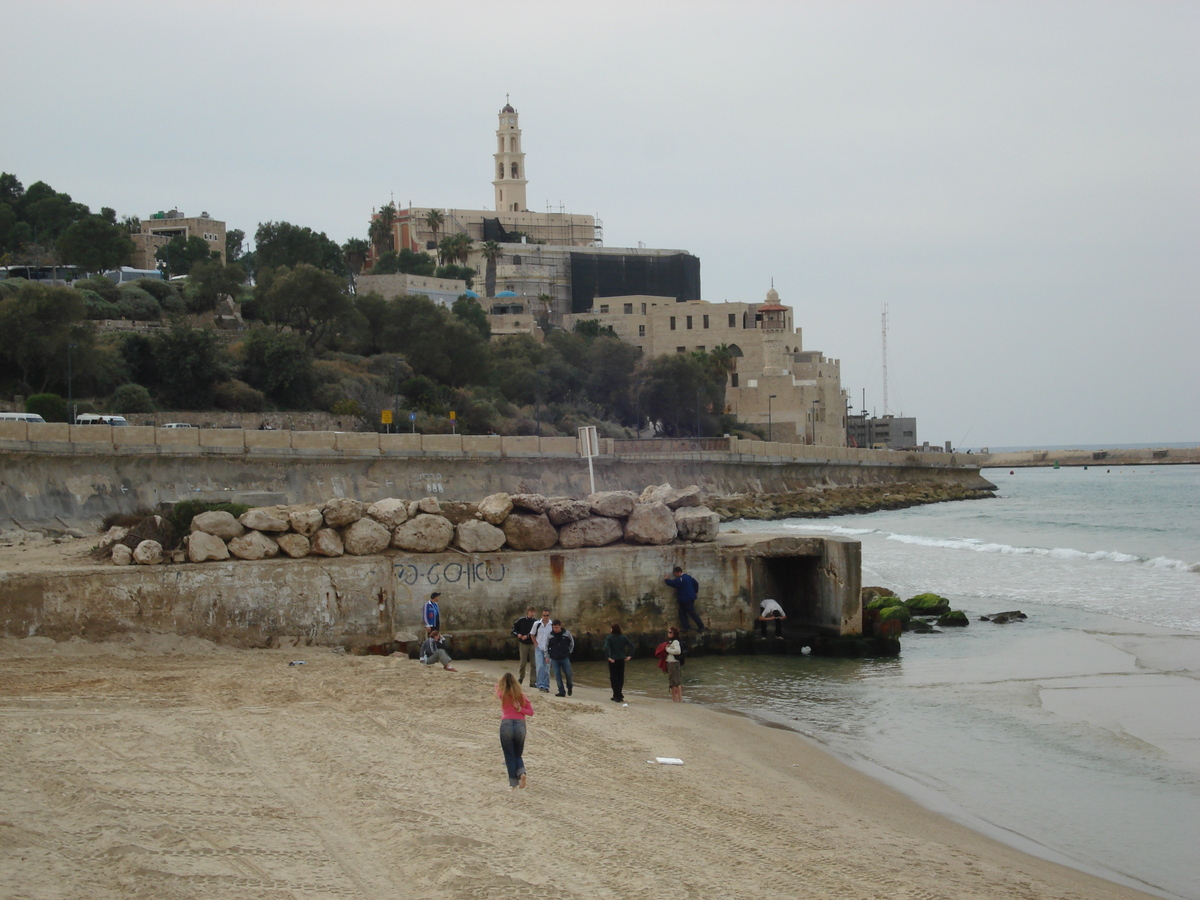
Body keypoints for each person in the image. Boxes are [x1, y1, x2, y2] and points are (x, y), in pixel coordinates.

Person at [496, 672, 533, 790]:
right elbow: (531, 712)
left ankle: (513, 784)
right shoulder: (521, 695)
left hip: (506, 723)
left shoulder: (503, 694)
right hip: (520, 725)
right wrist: (519, 709)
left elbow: (497, 687)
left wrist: (503, 682)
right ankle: (522, 773)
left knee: (509, 755)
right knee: (517, 754)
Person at [664, 566, 706, 632]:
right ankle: (687, 628)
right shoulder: (688, 577)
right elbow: (696, 583)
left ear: (678, 572)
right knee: (682, 613)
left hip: (686, 599)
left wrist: (666, 579)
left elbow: (672, 583)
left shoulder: (681, 579)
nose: (675, 576)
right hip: (687, 599)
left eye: (675, 574)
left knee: (692, 613)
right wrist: (695, 591)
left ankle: (701, 627)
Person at [602, 623, 636, 702]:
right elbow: (632, 646)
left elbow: (605, 648)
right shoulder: (623, 637)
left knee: (613, 678)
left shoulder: (609, 638)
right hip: (621, 659)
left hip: (613, 660)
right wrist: (630, 656)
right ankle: (618, 694)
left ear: (612, 629)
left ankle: (617, 695)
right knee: (620, 677)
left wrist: (608, 657)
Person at [528, 609, 554, 693]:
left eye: (547, 615)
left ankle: (546, 685)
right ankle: (540, 685)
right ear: (541, 615)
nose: (545, 617)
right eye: (544, 615)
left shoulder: (552, 624)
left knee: (546, 668)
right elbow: (532, 634)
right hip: (539, 647)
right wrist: (535, 643)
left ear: (549, 616)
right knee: (540, 666)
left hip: (549, 649)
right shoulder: (537, 624)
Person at [511, 606, 538, 685]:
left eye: (533, 612)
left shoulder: (536, 622)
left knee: (534, 663)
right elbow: (514, 629)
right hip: (523, 644)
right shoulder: (521, 620)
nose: (532, 613)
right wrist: (518, 634)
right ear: (528, 612)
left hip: (532, 643)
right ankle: (521, 677)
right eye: (531, 612)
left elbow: (537, 632)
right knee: (523, 663)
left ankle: (533, 681)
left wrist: (528, 636)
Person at [546, 620, 575, 697]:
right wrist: (547, 656)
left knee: (568, 674)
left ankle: (569, 686)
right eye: (554, 628)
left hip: (564, 657)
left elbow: (572, 643)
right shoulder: (550, 635)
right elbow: (546, 646)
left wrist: (569, 651)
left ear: (560, 626)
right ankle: (561, 691)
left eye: (557, 627)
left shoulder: (566, 634)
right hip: (554, 658)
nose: (555, 629)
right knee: (557, 675)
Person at [662, 626, 683, 702]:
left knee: (674, 682)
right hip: (671, 663)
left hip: (673, 663)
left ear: (675, 633)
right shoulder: (672, 641)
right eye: (668, 632)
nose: (669, 634)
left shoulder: (675, 642)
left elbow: (678, 651)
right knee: (675, 681)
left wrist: (667, 649)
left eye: (671, 632)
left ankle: (677, 699)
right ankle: (677, 699)